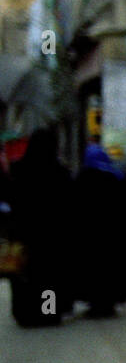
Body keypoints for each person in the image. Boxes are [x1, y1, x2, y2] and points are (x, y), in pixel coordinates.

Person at [5, 128, 73, 326]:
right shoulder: (60, 173)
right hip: (52, 237)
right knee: (49, 279)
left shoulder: (18, 170)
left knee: (25, 278)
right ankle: (48, 312)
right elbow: (67, 206)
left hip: (25, 234)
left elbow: (12, 201)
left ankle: (26, 313)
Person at [73, 142, 126, 317]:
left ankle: (95, 304)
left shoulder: (82, 178)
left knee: (92, 273)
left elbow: (74, 209)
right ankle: (109, 303)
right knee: (111, 272)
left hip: (89, 240)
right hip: (114, 239)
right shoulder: (117, 177)